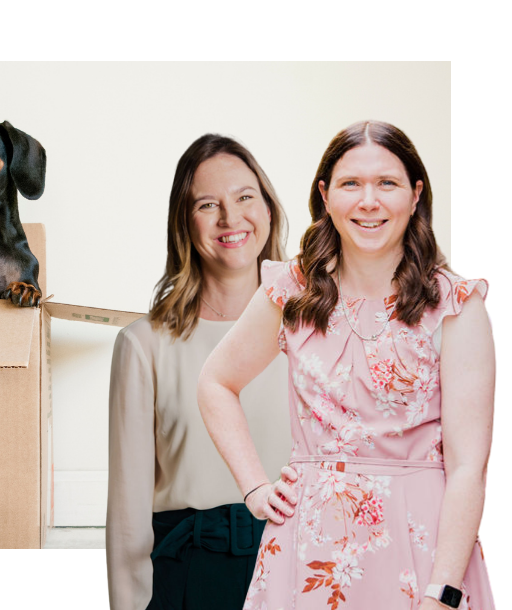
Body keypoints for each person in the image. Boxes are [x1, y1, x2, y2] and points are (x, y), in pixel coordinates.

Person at [197, 120, 495, 609]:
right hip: (308, 549)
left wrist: (442, 592)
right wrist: (254, 488)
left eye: (387, 183)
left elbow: (468, 469)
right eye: (351, 183)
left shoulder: (455, 306)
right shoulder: (292, 289)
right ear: (325, 195)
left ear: (416, 195)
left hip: (422, 554)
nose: (368, 201)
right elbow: (216, 381)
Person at [106, 134, 293, 610]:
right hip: (188, 574)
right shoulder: (143, 345)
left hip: (296, 564)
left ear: (268, 209)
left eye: (245, 197)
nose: (231, 218)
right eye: (208, 205)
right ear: (184, 224)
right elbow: (127, 518)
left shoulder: (316, 332)